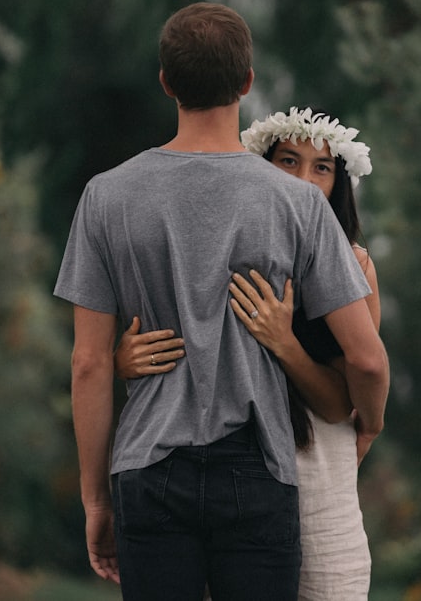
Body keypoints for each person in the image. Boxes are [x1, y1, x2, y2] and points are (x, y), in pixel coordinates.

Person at [54, 3, 389, 601]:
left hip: (147, 470)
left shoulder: (105, 197)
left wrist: (96, 502)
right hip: (256, 472)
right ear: (247, 83)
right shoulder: (299, 205)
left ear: (166, 83)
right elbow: (366, 360)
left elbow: (87, 364)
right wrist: (369, 424)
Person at [115, 106, 383, 600]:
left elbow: (353, 386)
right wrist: (124, 359)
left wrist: (368, 418)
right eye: (289, 162)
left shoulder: (355, 265)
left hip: (319, 466)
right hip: (241, 461)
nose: (305, 179)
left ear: (340, 181)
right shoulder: (236, 251)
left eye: (321, 168)